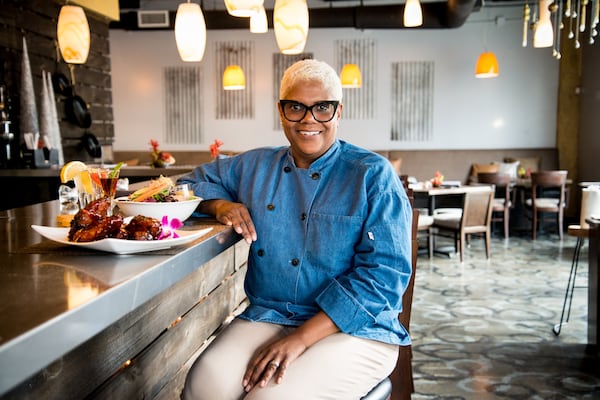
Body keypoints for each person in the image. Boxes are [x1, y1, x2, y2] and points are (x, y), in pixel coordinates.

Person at [179, 59, 412, 400]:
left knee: (269, 397)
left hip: (358, 328)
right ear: (281, 111)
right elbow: (187, 184)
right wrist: (220, 205)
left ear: (338, 111)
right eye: (296, 108)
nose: (308, 119)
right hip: (270, 315)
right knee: (204, 387)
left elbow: (384, 278)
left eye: (322, 108)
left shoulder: (371, 174)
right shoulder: (255, 165)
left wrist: (300, 339)